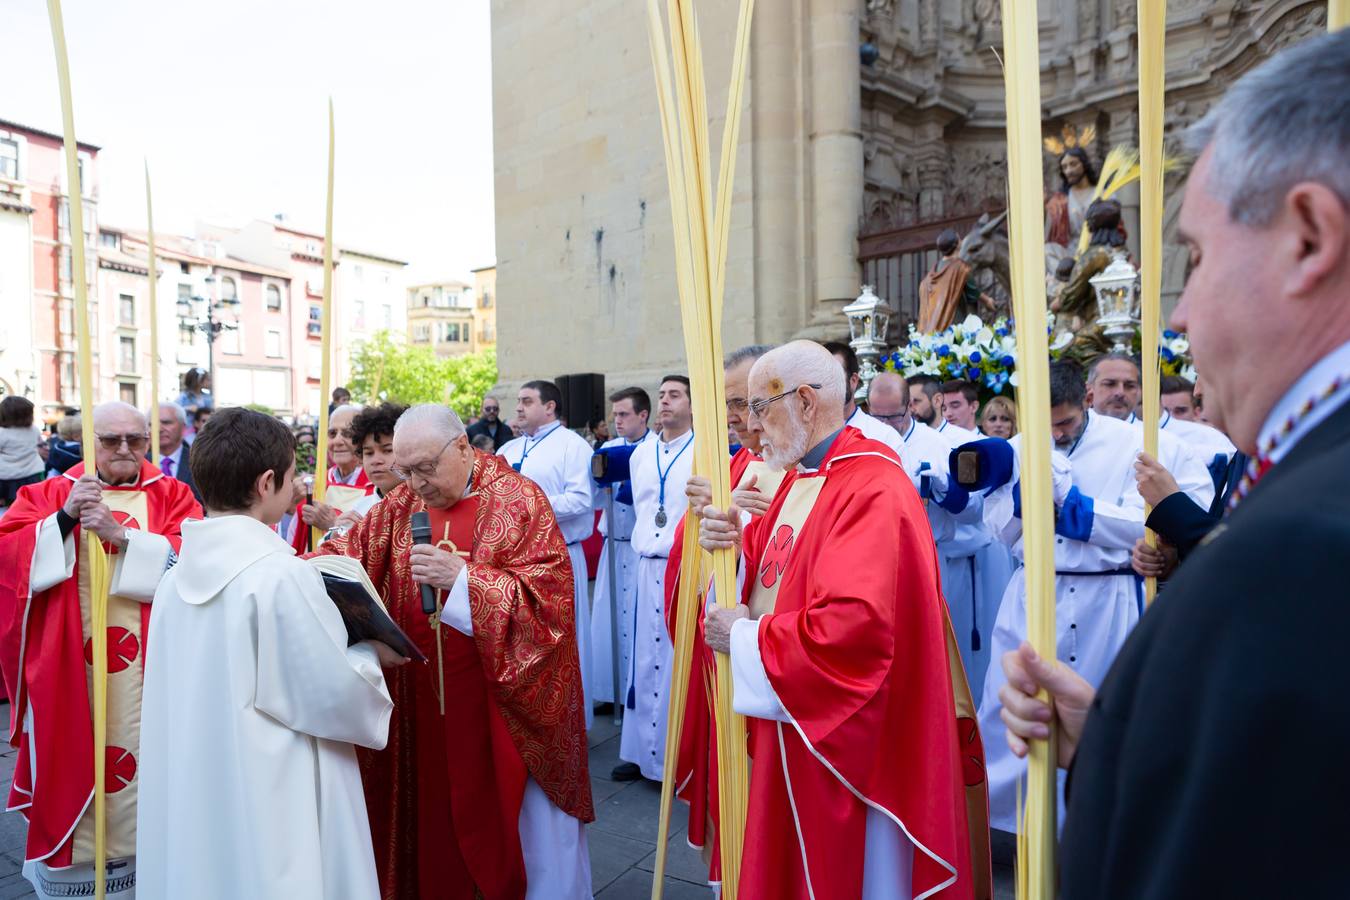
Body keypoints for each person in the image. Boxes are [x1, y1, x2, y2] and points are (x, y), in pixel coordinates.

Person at [999, 32, 1350, 898]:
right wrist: (1124, 735)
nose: (1181, 313)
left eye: (1193, 256)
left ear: (1308, 237)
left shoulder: (1305, 546)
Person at [696, 341, 989, 899]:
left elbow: (853, 630)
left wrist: (742, 635)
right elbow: (768, 576)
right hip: (791, 718)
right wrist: (727, 546)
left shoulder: (872, 485)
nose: (752, 429)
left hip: (850, 742)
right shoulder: (799, 474)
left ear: (805, 401)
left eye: (760, 407)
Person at [317, 404, 594, 899]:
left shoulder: (519, 500)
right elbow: (348, 553)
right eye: (405, 470)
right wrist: (278, 567)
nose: (416, 483)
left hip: (502, 708)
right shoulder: (401, 505)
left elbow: (550, 604)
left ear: (463, 446)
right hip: (421, 703)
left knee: (519, 837)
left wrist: (464, 583)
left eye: (425, 467)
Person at [136, 408, 396, 900]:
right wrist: (369, 656)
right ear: (267, 482)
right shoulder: (277, 576)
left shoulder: (172, 579)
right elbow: (329, 694)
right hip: (273, 782)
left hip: (199, 771)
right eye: (291, 478)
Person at [968, 360, 1213, 835]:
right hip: (1036, 589)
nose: (1056, 432)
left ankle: (1096, 822)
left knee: (1104, 704)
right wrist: (1022, 508)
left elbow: (1167, 513)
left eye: (1065, 422)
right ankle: (1015, 826)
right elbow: (997, 526)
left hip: (1111, 594)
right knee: (1019, 710)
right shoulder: (1019, 446)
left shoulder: (1141, 445)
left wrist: (1077, 512)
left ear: (1085, 399)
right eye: (1047, 423)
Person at [0, 402, 201, 899]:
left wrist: (122, 536)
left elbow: (197, 564)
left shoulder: (173, 494)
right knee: (71, 760)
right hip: (69, 672)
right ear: (90, 442)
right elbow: (10, 556)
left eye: (136, 439)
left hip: (152, 671)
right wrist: (63, 521)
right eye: (111, 440)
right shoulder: (50, 491)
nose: (126, 450)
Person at [669, 344, 779, 878]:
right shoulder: (724, 465)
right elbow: (685, 582)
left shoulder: (811, 468)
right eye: (724, 405)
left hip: (781, 670)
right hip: (730, 668)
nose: (733, 418)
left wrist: (741, 526)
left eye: (742, 402)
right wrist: (705, 532)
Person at [870, 371, 1012, 697]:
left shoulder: (943, 445)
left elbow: (976, 511)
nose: (886, 423)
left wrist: (946, 492)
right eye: (878, 416)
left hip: (934, 558)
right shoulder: (866, 439)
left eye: (893, 415)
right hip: (879, 564)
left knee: (939, 650)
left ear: (910, 408)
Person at [500, 380, 598, 728]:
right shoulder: (509, 448)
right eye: (519, 401)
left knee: (566, 641)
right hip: (514, 562)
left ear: (550, 407)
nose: (519, 407)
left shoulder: (573, 447)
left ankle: (571, 722)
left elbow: (581, 500)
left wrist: (528, 505)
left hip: (558, 555)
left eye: (527, 401)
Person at [613, 376, 694, 783]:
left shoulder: (703, 451)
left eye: (674, 395)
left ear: (694, 405)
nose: (665, 401)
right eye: (661, 395)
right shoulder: (641, 455)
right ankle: (641, 752)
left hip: (684, 564)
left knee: (678, 658)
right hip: (646, 563)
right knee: (642, 659)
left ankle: (676, 757)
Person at [589, 387, 653, 713]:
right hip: (612, 546)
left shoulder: (656, 448)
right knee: (609, 620)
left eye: (624, 414)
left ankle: (637, 691)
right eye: (615, 415)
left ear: (643, 415)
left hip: (641, 550)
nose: (618, 421)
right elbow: (596, 500)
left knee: (638, 622)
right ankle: (610, 688)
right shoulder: (609, 448)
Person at [1089, 353, 1235, 488]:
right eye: (1109, 384)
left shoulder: (1170, 444)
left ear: (1141, 392)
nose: (1120, 392)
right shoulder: (1069, 434)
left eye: (1129, 385)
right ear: (1089, 389)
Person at [288, 404, 376, 552]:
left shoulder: (377, 489)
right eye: (332, 433)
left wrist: (334, 525)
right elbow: (291, 540)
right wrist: (289, 504)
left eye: (347, 433)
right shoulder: (313, 485)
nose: (337, 441)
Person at [327, 402, 408, 538]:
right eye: (369, 453)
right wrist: (335, 536)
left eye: (387, 450)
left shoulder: (425, 505)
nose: (376, 460)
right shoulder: (358, 508)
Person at [821, 341, 906, 458]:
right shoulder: (805, 437)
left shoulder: (885, 437)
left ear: (853, 381)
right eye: (820, 377)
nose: (827, 384)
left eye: (835, 376)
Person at [918, 228, 992, 333]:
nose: (961, 241)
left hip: (931, 331)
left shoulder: (931, 274)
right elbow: (972, 293)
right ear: (956, 244)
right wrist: (987, 300)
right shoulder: (960, 267)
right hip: (954, 326)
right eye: (959, 239)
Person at [1044, 145, 1098, 273]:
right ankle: (1065, 282)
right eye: (1064, 167)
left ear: (1084, 164)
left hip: (1096, 249)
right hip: (1071, 254)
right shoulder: (1060, 200)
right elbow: (1047, 233)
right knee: (1047, 249)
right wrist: (1043, 206)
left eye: (1073, 164)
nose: (1068, 170)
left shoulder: (1102, 193)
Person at [0, 397, 46, 508]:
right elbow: (39, 444)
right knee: (31, 505)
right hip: (32, 473)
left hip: (6, 476)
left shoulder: (2, 432)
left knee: (9, 507)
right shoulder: (34, 429)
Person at [152, 402, 201, 503]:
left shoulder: (200, 462)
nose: (159, 429)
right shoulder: (140, 465)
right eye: (152, 424)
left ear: (183, 428)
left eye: (166, 422)